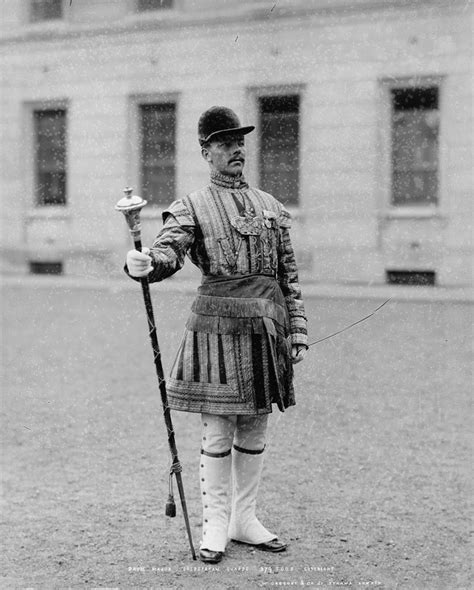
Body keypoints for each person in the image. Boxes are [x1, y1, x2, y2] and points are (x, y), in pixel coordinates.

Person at [126, 106, 308, 564]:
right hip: (217, 328)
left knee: (256, 421)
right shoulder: (192, 206)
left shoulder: (271, 206)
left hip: (267, 329)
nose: (237, 150)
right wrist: (146, 263)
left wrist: (298, 331)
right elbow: (169, 251)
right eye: (226, 143)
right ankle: (215, 524)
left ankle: (244, 519)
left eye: (240, 142)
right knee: (218, 427)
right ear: (206, 152)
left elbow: (289, 278)